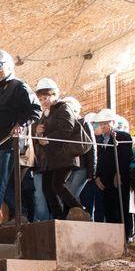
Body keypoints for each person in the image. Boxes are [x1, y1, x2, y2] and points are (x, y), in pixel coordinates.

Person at [0, 50, 40, 233]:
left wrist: (20, 124)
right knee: (3, 183)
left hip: (7, 143)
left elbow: (36, 109)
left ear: (9, 66)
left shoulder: (19, 86)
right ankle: (22, 214)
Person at [34, 79, 90, 220]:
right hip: (52, 158)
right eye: (40, 99)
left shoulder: (63, 108)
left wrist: (47, 138)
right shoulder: (46, 113)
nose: (43, 102)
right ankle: (59, 218)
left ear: (54, 95)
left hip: (64, 156)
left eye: (45, 98)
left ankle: (79, 209)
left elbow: (66, 129)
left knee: (57, 185)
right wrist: (38, 132)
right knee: (47, 189)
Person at [92, 108, 133, 235]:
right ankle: (113, 235)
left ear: (113, 123)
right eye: (101, 123)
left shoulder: (123, 136)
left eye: (106, 123)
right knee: (108, 206)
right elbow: (98, 160)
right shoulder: (99, 140)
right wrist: (97, 176)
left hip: (119, 177)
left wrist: (119, 173)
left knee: (122, 205)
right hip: (104, 179)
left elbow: (126, 157)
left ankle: (126, 234)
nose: (103, 126)